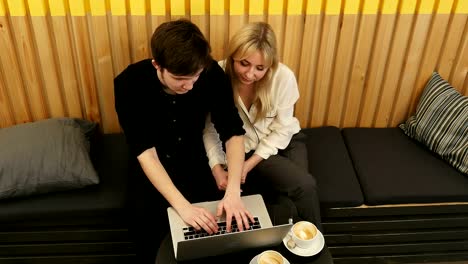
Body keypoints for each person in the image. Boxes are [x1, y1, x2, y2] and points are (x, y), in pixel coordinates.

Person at [114, 19, 255, 264]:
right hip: (152, 167)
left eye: (195, 76)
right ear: (157, 64)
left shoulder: (211, 73)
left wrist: (233, 192)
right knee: (150, 237)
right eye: (180, 78)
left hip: (195, 160)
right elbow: (146, 153)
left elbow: (232, 132)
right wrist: (183, 207)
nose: (189, 86)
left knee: (221, 234)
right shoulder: (129, 83)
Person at [203, 22, 322, 230]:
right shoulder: (217, 74)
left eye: (260, 68)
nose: (250, 75)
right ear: (233, 56)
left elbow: (283, 129)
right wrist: (217, 166)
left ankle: (315, 249)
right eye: (244, 64)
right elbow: (210, 129)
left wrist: (246, 166)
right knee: (283, 204)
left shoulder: (283, 77)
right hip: (242, 149)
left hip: (284, 141)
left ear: (270, 64)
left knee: (304, 187)